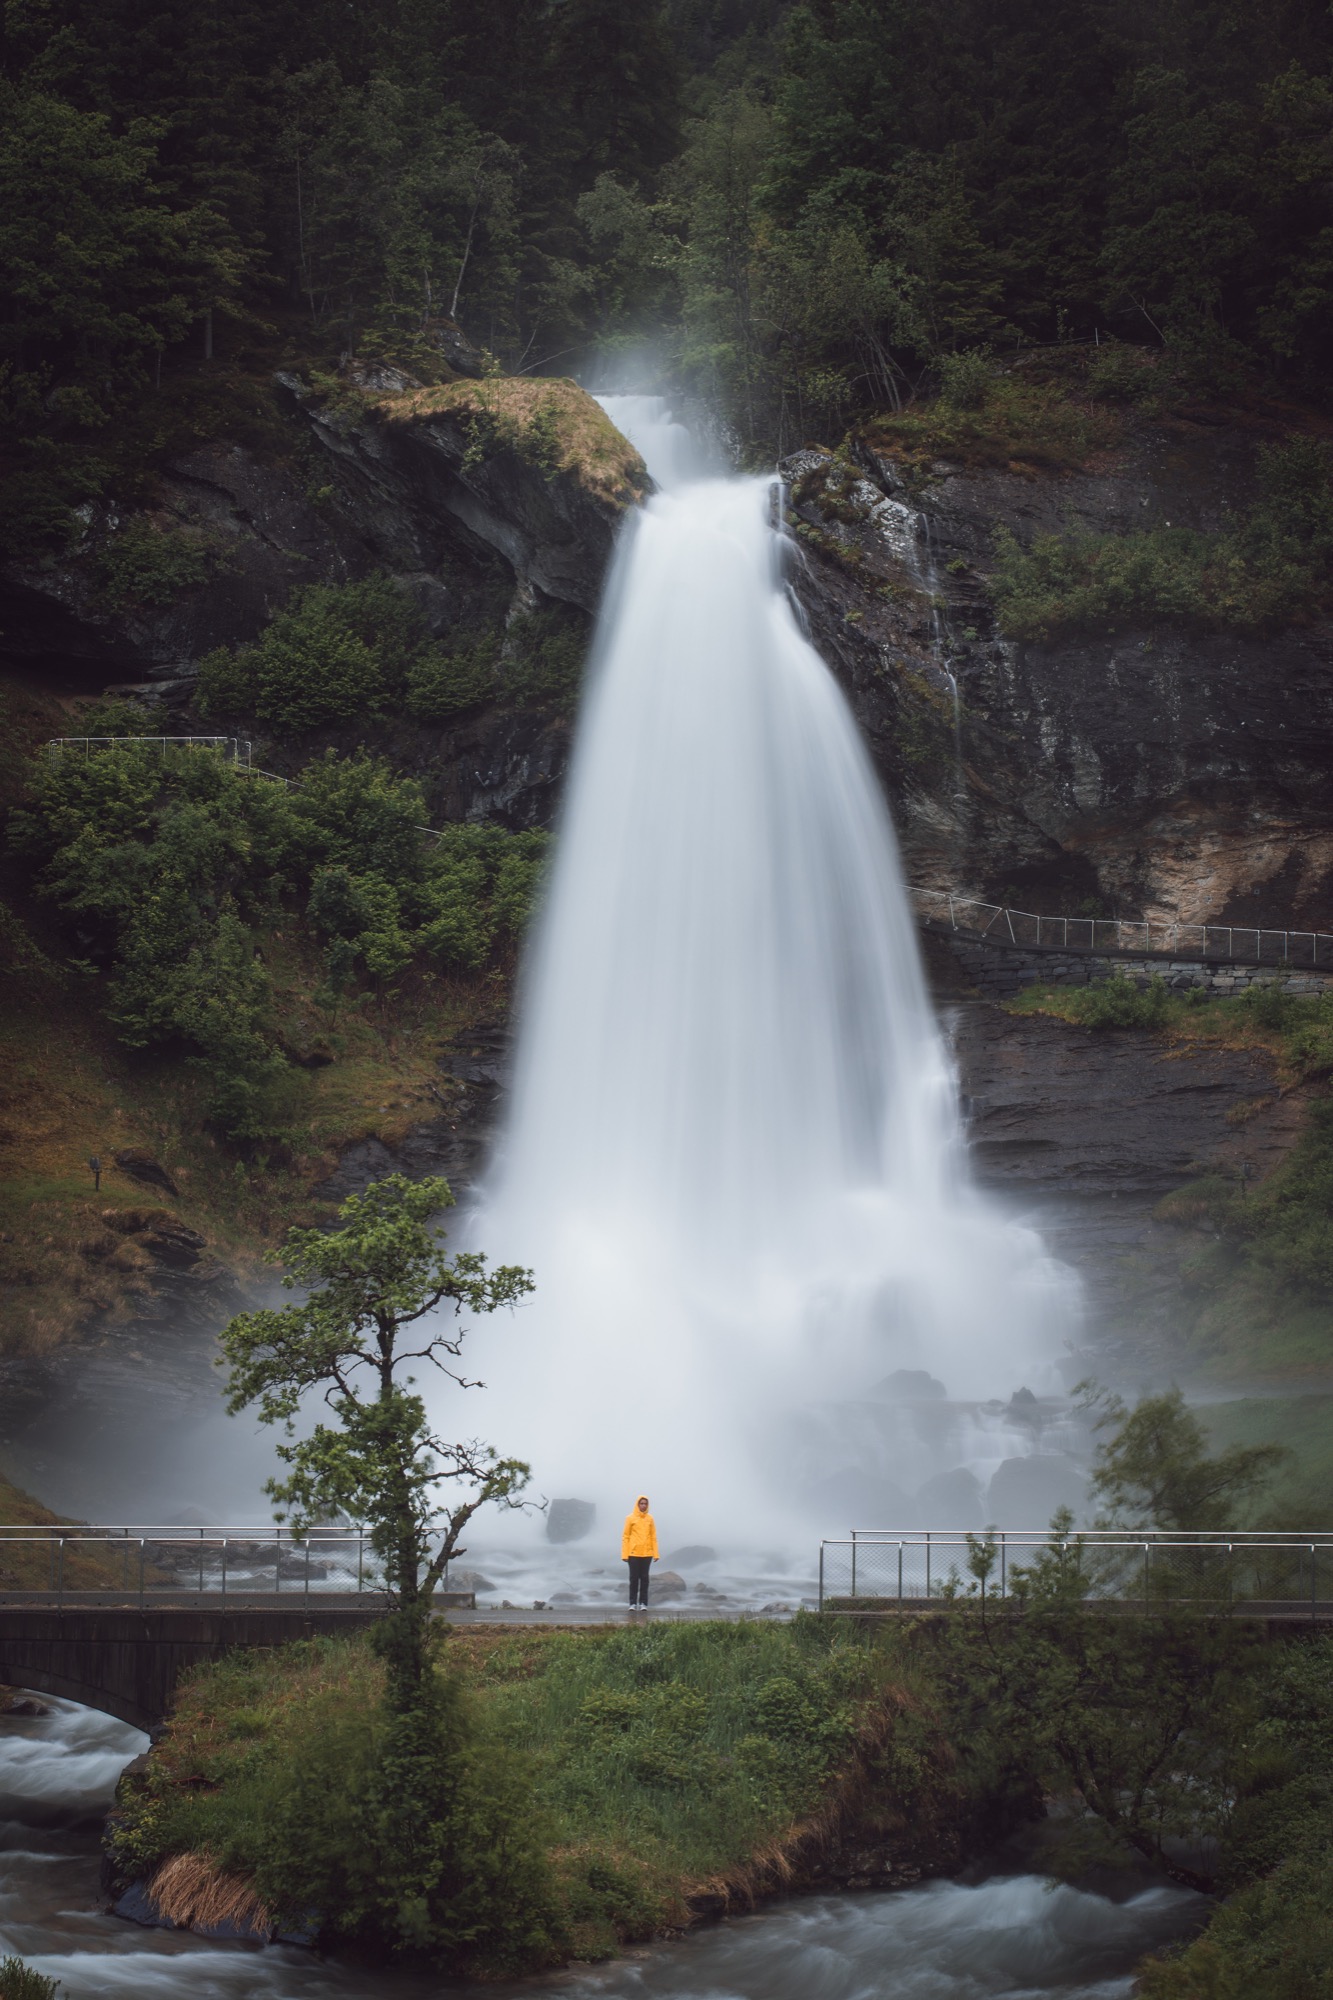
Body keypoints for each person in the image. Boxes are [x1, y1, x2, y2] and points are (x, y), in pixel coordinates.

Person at [621, 1493, 659, 1609]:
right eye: (641, 1503)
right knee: (633, 1579)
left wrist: (656, 1553)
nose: (643, 1506)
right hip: (633, 1553)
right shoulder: (630, 1518)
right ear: (637, 1504)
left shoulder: (650, 1518)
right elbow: (625, 1536)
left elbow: (653, 1536)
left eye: (645, 1504)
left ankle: (643, 1603)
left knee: (644, 1579)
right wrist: (625, 1554)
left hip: (647, 1553)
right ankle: (632, 1603)